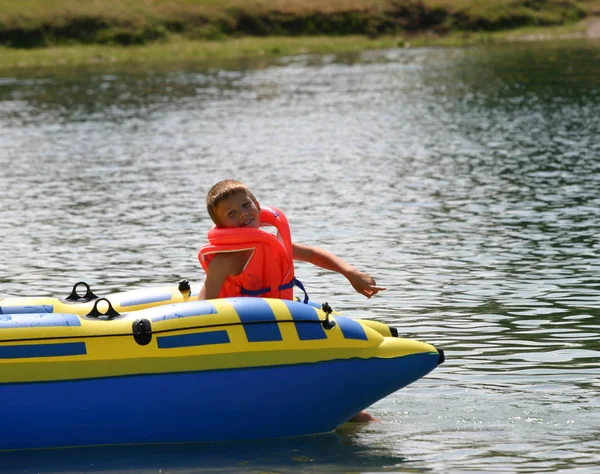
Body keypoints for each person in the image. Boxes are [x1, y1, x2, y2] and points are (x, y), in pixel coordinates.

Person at [198, 179, 386, 422]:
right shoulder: (226, 260)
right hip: (244, 336)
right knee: (327, 398)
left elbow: (311, 253)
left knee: (351, 411)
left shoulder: (270, 244)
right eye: (231, 213)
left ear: (257, 204)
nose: (243, 214)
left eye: (246, 205)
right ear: (220, 225)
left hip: (278, 326)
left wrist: (349, 272)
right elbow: (204, 302)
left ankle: (350, 416)